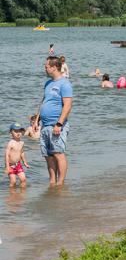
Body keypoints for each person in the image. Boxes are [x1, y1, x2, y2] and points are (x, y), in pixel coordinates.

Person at [39, 56, 73, 186]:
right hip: (45, 125)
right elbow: (44, 101)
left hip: (57, 125)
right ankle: (52, 182)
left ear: (53, 67)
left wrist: (59, 123)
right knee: (48, 155)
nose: (45, 68)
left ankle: (60, 183)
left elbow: (68, 105)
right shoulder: (48, 83)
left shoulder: (65, 84)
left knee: (58, 153)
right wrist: (37, 119)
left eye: (46, 66)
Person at [5, 123, 29, 187]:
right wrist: (7, 166)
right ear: (11, 133)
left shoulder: (21, 143)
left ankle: (22, 194)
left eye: (19, 131)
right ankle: (12, 194)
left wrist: (25, 163)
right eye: (15, 131)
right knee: (13, 182)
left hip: (18, 165)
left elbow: (22, 153)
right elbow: (7, 155)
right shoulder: (10, 143)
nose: (18, 133)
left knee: (23, 179)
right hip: (11, 166)